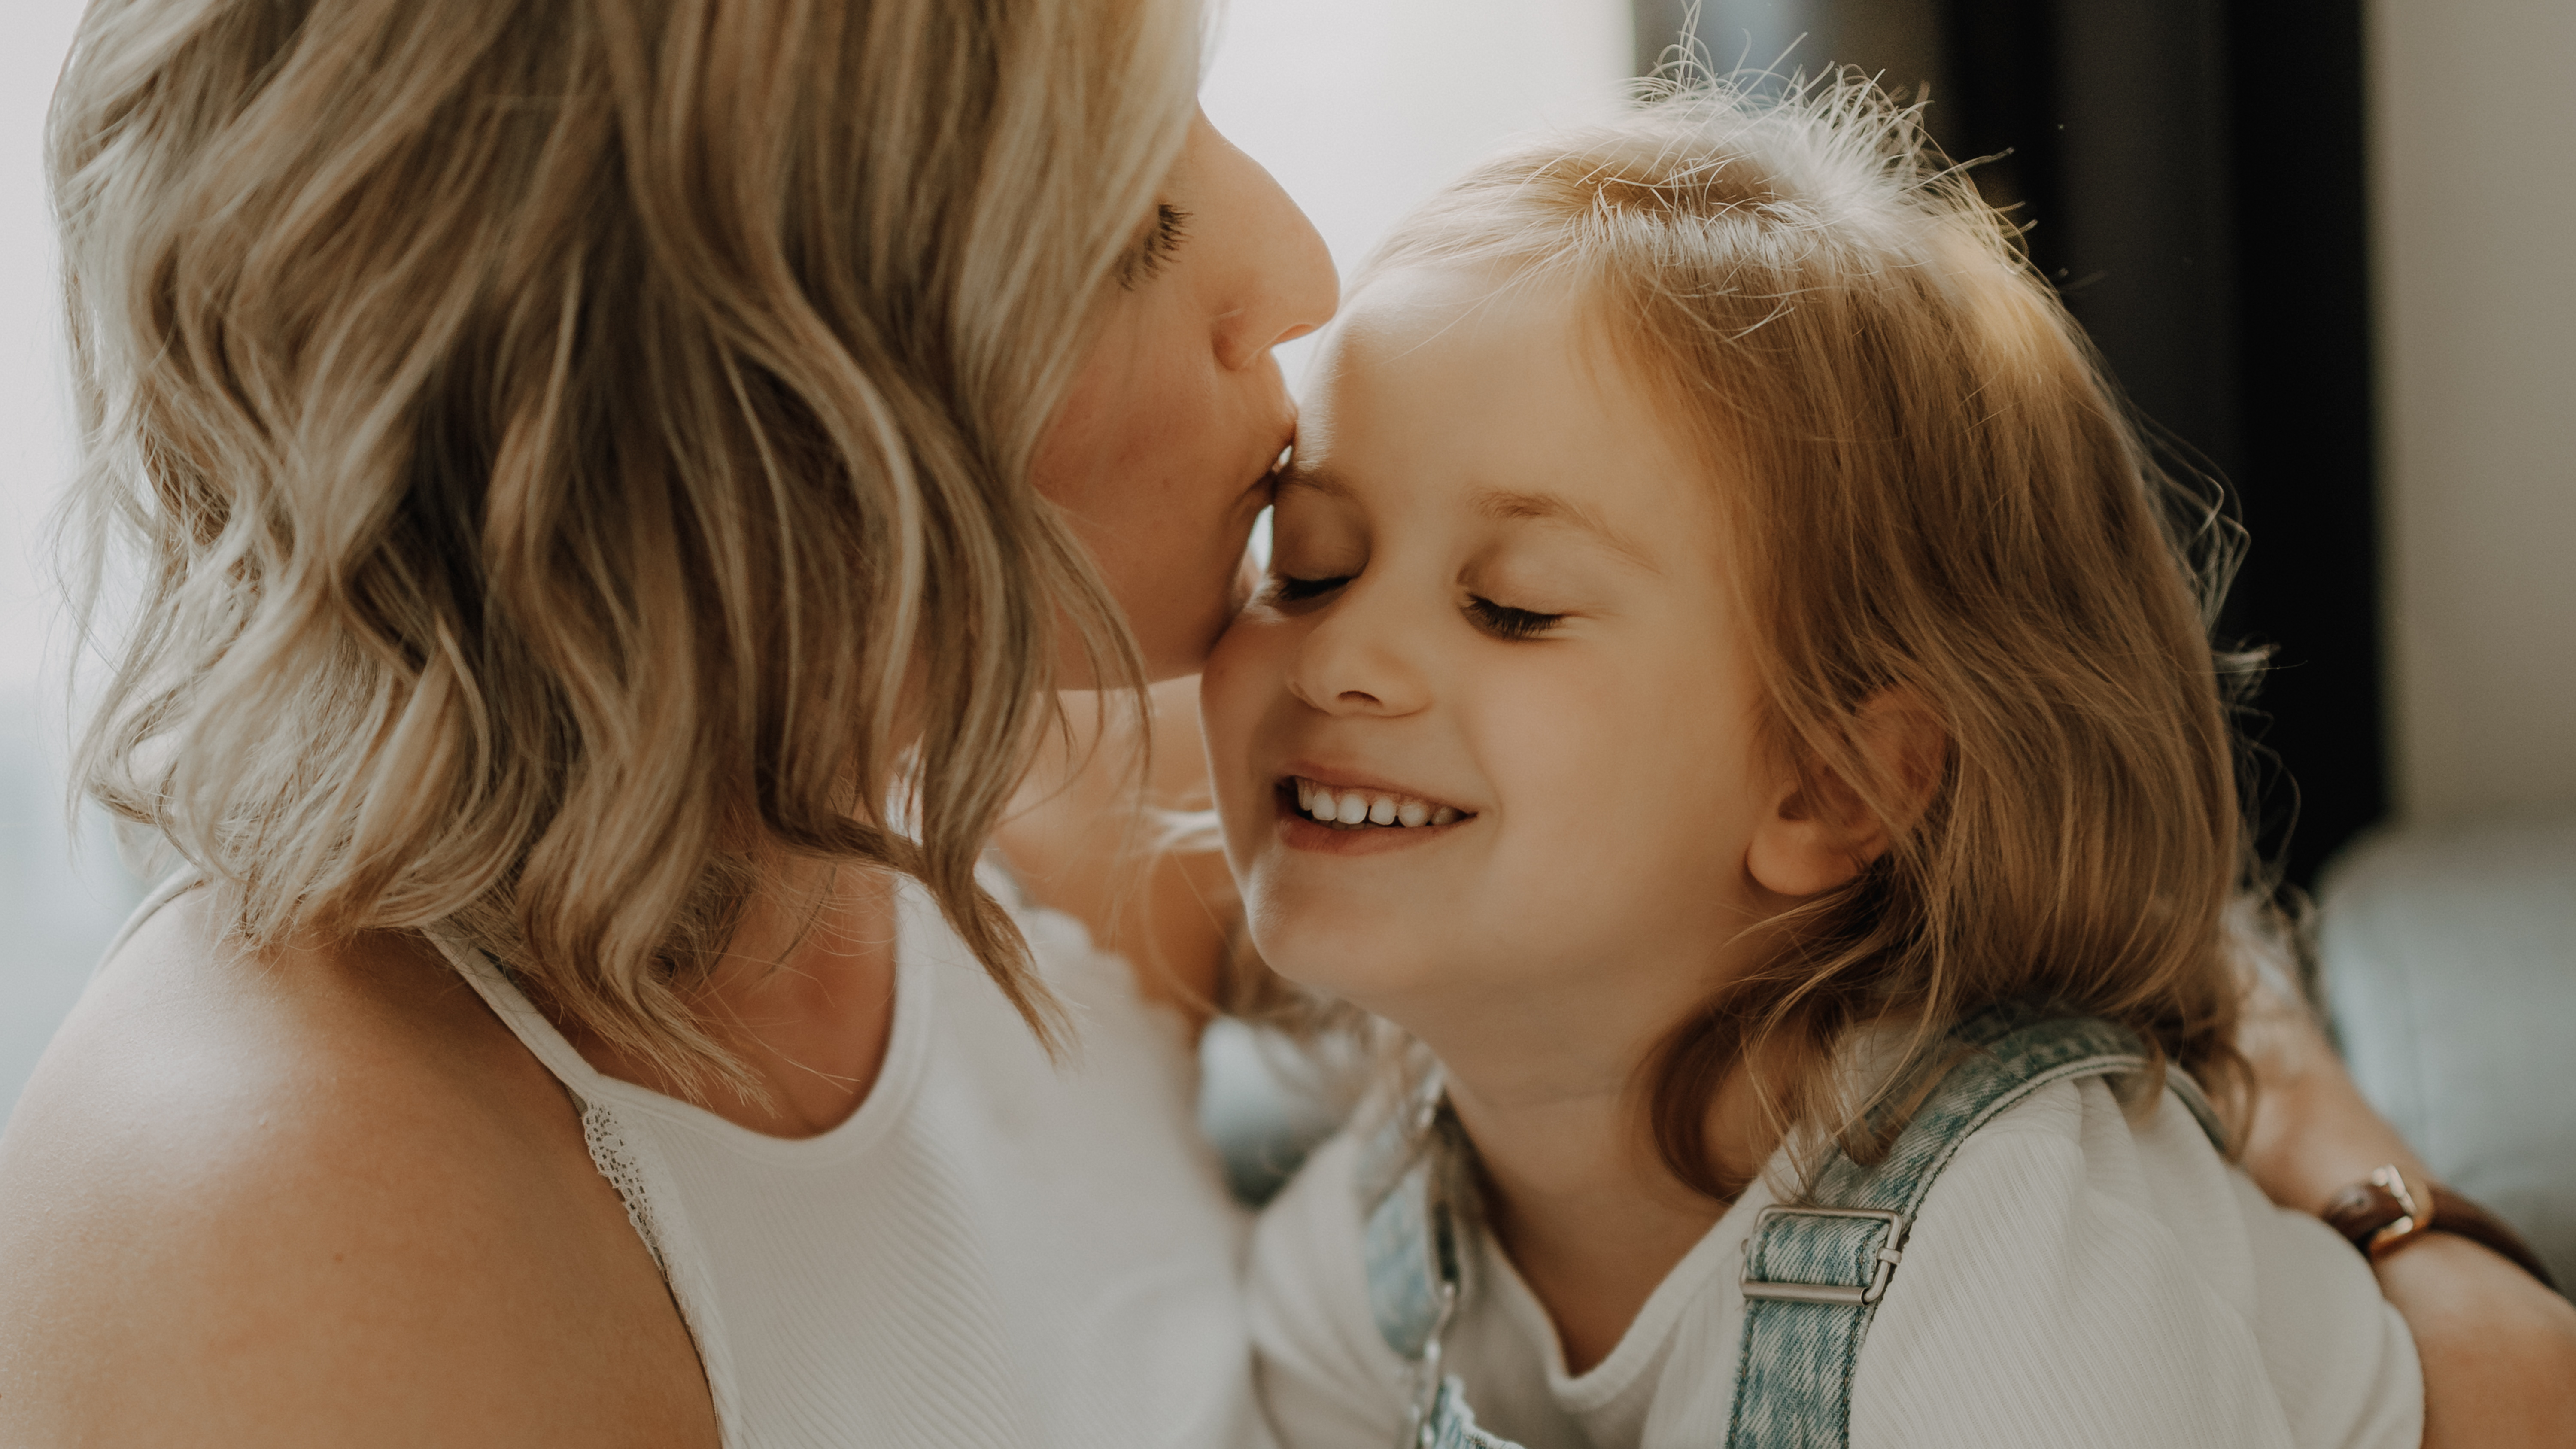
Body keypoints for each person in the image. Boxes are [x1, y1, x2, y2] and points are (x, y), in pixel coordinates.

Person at [0, 0, 2563, 1443]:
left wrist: (2390, 1257)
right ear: (760, 408)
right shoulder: (282, 1223)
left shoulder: (981, 781)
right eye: (1130, 213)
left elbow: (1954, 849)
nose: (1295, 262)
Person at [1201, 80, 2570, 1449]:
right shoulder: (1372, 1245)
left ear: (1832, 787)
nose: (1338, 657)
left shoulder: (2012, 1264)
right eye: (1307, 568)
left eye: (1513, 606)